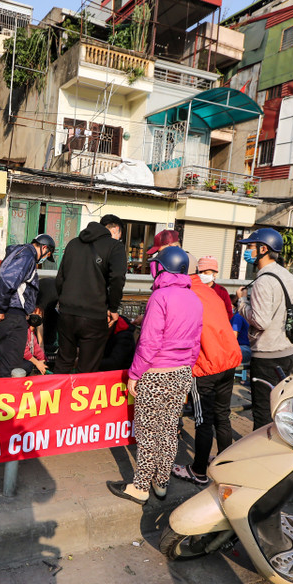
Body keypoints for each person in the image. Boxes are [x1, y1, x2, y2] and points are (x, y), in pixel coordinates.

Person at [106, 247, 202, 504]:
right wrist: (186, 369)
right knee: (170, 431)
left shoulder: (160, 297)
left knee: (148, 433)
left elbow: (149, 341)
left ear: (162, 268)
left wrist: (135, 374)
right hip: (182, 373)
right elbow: (196, 343)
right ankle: (161, 482)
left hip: (156, 373)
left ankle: (140, 487)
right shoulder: (194, 298)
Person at [171, 267, 242, 486]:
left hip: (206, 363)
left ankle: (199, 471)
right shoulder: (211, 292)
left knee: (203, 420)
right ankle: (226, 464)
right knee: (222, 414)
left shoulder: (183, 293)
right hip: (228, 358)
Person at [236, 228, 293, 430]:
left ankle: (264, 455)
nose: (247, 251)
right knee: (282, 408)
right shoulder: (288, 276)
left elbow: (260, 321)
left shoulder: (264, 280)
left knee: (264, 411)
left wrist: (241, 302)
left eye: (250, 246)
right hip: (289, 349)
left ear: (263, 249)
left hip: (268, 355)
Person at [55, 214, 127, 374]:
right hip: (94, 315)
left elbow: (60, 278)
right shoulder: (115, 246)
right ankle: (79, 398)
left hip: (67, 312)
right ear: (116, 230)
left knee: (64, 361)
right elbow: (117, 278)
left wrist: (63, 301)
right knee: (88, 367)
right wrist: (113, 308)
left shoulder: (73, 243)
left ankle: (57, 398)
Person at [0, 234, 55, 378]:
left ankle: (0, 394)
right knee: (12, 362)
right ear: (44, 247)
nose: (44, 259)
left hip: (9, 313)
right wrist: (1, 309)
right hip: (12, 314)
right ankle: (8, 396)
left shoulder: (19, 253)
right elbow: (8, 281)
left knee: (3, 359)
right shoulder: (27, 256)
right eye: (48, 254)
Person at [0, 311, 47, 376]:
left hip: (9, 361)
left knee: (28, 365)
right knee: (28, 365)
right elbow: (24, 352)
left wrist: (43, 360)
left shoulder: (30, 333)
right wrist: (37, 363)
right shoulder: (18, 330)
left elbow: (36, 348)